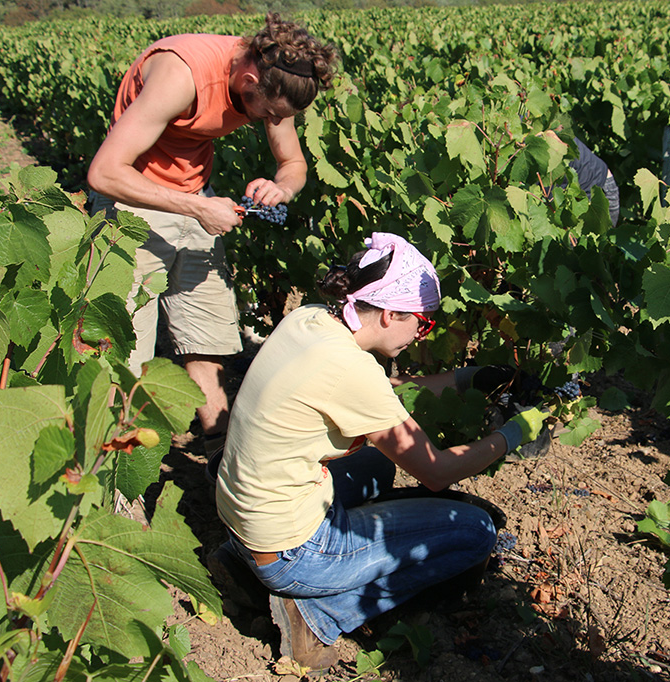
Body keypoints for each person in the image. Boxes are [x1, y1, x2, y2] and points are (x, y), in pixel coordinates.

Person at [214, 232, 546, 671]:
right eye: (423, 323)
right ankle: (315, 615)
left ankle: (243, 562)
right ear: (391, 314)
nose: (424, 335)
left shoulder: (312, 321)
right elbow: (437, 472)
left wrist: (473, 376)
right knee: (477, 533)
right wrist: (512, 434)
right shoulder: (349, 369)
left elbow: (384, 396)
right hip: (292, 551)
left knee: (374, 464)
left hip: (246, 518)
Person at [86, 13, 337, 456]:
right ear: (248, 77)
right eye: (271, 112)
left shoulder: (277, 79)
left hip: (195, 199)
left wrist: (282, 186)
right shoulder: (182, 73)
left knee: (207, 336)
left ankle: (220, 452)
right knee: (124, 353)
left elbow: (294, 164)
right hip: (132, 203)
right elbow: (105, 172)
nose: (273, 122)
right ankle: (113, 476)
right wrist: (197, 207)